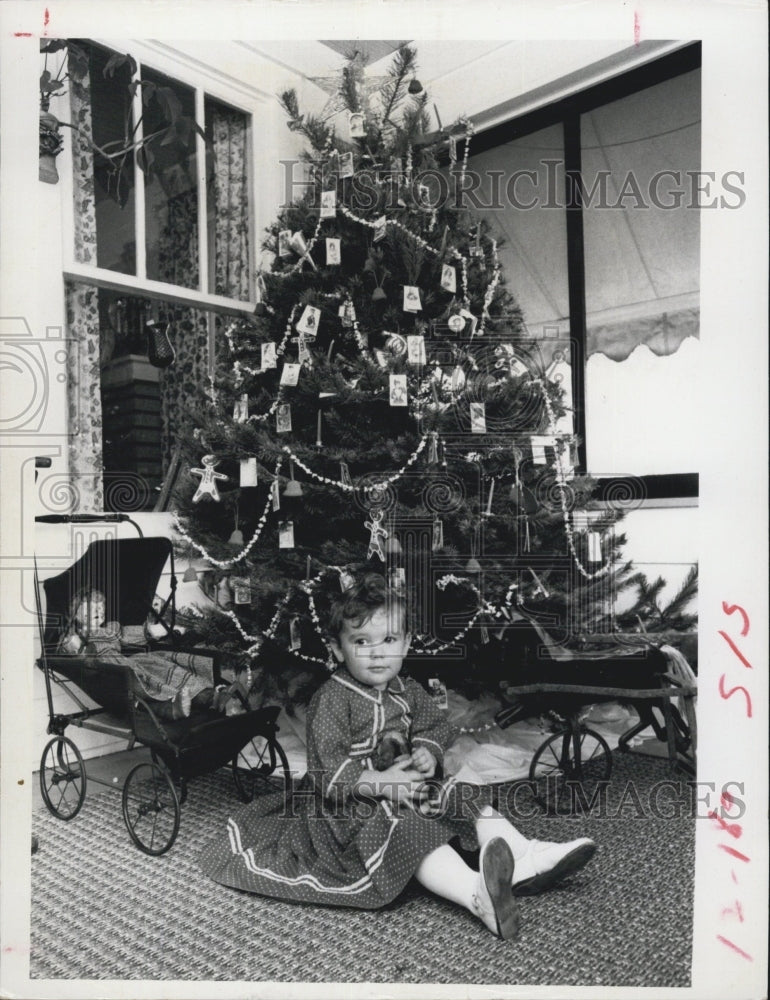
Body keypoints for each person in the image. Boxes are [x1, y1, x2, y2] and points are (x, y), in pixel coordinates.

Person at [199, 572, 596, 939]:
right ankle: (475, 894)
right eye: (361, 642)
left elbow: (438, 726)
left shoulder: (406, 690)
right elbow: (327, 773)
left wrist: (426, 750)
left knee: (460, 793)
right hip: (348, 809)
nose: (377, 654)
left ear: (406, 643)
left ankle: (522, 855)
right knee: (404, 827)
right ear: (338, 649)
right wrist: (382, 782)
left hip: (410, 789)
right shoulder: (332, 700)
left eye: (388, 641)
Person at [59, 588, 244, 720]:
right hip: (109, 673)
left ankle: (211, 697)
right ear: (77, 614)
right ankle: (173, 706)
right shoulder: (77, 637)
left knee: (163, 666)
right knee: (142, 681)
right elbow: (77, 656)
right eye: (92, 608)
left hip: (127, 662)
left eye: (101, 607)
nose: (99, 611)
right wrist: (74, 645)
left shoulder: (112, 628)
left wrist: (157, 630)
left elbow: (133, 634)